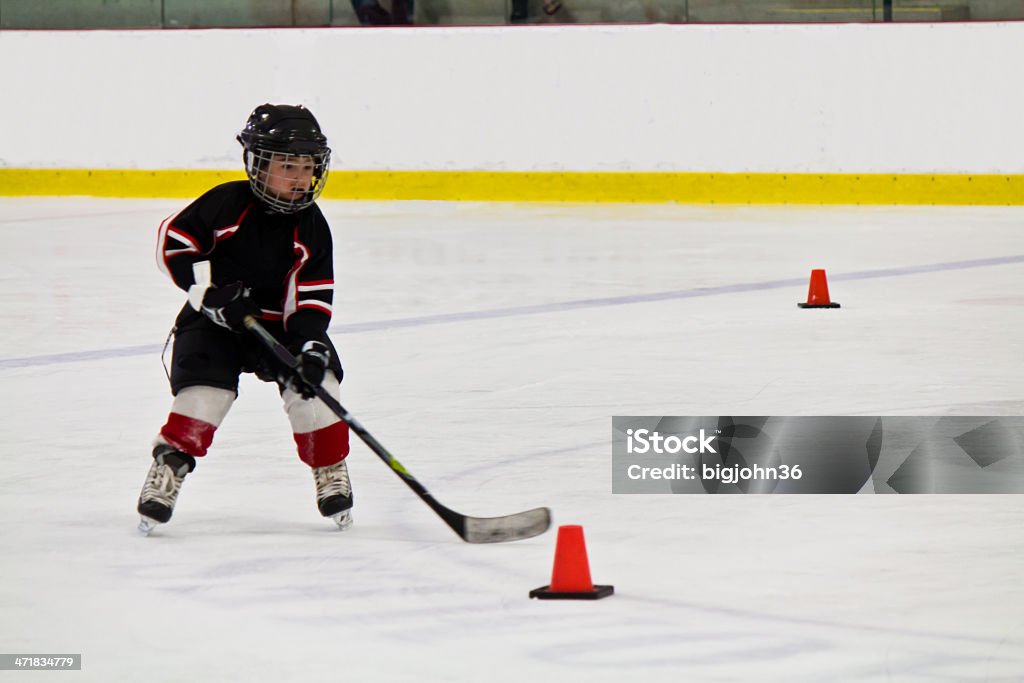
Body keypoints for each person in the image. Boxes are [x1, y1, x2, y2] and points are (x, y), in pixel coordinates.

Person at [137, 103, 353, 534]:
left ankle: (329, 466)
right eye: (287, 166)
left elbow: (308, 296)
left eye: (307, 167)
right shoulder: (226, 203)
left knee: (318, 386)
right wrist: (211, 293)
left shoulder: (311, 226)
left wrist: (309, 344)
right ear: (257, 164)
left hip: (277, 327)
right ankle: (170, 465)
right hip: (216, 324)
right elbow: (175, 243)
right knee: (204, 395)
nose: (299, 178)